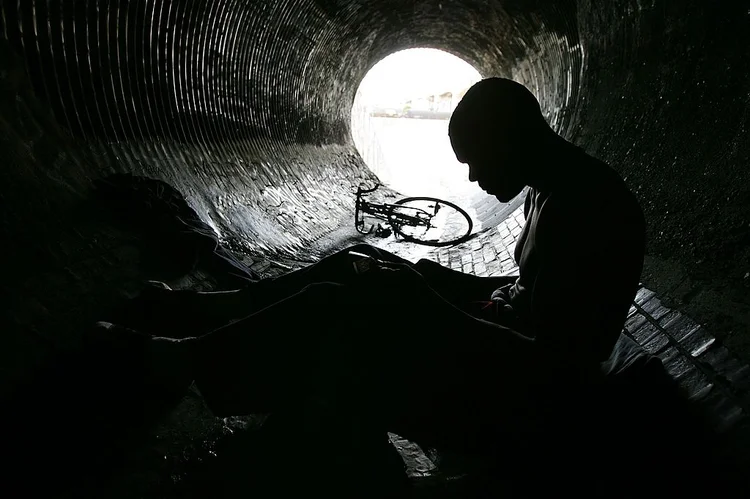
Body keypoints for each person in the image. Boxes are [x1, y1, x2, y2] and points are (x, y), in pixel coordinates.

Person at [92, 77, 646, 490]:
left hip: (527, 402)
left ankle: (184, 360)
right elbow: (537, 287)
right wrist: (435, 278)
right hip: (506, 352)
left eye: (475, 162)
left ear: (511, 138)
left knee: (361, 301)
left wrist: (426, 302)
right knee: (359, 260)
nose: (473, 178)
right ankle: (211, 311)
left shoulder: (591, 206)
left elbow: (559, 362)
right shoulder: (554, 187)